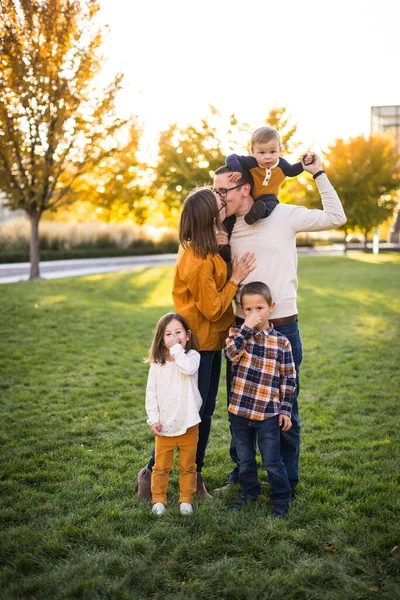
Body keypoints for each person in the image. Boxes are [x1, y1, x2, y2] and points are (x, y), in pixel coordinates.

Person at [213, 153, 346, 496]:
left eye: (224, 191)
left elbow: (336, 216)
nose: (219, 198)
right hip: (242, 329)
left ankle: (286, 479)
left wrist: (317, 173)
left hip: (283, 328)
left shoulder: (283, 214)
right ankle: (242, 476)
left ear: (244, 188)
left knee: (286, 406)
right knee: (240, 406)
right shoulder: (226, 228)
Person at [137, 187, 256, 501]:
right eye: (219, 200)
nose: (224, 199)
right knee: (193, 413)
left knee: (204, 412)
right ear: (209, 216)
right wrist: (237, 276)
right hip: (199, 345)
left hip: (212, 340)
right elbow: (213, 307)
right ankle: (151, 475)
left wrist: (224, 251)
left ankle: (194, 474)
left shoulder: (206, 248)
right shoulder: (197, 259)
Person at [225, 282, 296, 518]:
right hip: (240, 412)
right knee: (245, 460)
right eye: (248, 309)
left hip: (268, 414)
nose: (255, 314)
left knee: (272, 461)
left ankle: (281, 498)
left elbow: (288, 379)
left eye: (260, 308)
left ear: (271, 307)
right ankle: (250, 494)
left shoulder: (282, 342)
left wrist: (285, 410)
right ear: (241, 310)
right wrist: (245, 327)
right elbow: (231, 353)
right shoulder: (237, 335)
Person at [145, 313, 202, 516]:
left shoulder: (193, 357)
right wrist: (154, 419)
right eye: (168, 334)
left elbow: (187, 369)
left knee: (188, 466)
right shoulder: (158, 365)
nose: (173, 337)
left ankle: (186, 499)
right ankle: (158, 499)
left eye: (178, 333)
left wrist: (177, 348)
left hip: (188, 423)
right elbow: (151, 393)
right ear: (161, 338)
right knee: (161, 467)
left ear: (187, 335)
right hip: (165, 425)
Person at [224, 126, 313, 234]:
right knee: (230, 216)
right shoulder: (251, 162)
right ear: (252, 151)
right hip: (248, 196)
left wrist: (304, 162)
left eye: (272, 152)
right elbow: (231, 157)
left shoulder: (282, 165)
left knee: (272, 202)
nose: (267, 157)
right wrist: (236, 169)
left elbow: (293, 170)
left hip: (267, 196)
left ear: (280, 150)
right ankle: (224, 237)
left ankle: (259, 213)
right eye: (262, 153)